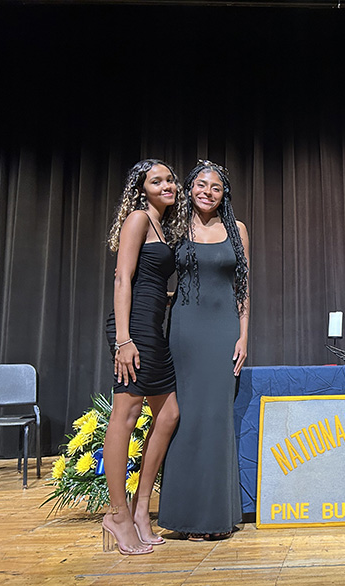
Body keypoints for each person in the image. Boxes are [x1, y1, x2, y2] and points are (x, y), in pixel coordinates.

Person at [158, 160, 250, 540]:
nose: (207, 192)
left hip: (224, 330)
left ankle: (217, 517)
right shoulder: (175, 228)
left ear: (223, 193)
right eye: (200, 184)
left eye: (215, 187)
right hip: (186, 330)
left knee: (216, 418)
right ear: (189, 188)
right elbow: (152, 270)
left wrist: (244, 336)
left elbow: (243, 287)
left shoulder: (237, 229)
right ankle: (187, 517)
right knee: (188, 417)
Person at [103, 159, 187, 555]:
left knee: (168, 414)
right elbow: (123, 277)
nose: (168, 184)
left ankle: (140, 510)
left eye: (170, 179)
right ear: (142, 188)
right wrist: (123, 339)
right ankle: (117, 515)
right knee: (127, 414)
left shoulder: (160, 224)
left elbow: (149, 280)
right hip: (132, 331)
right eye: (158, 180)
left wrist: (171, 299)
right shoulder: (138, 218)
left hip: (151, 330)